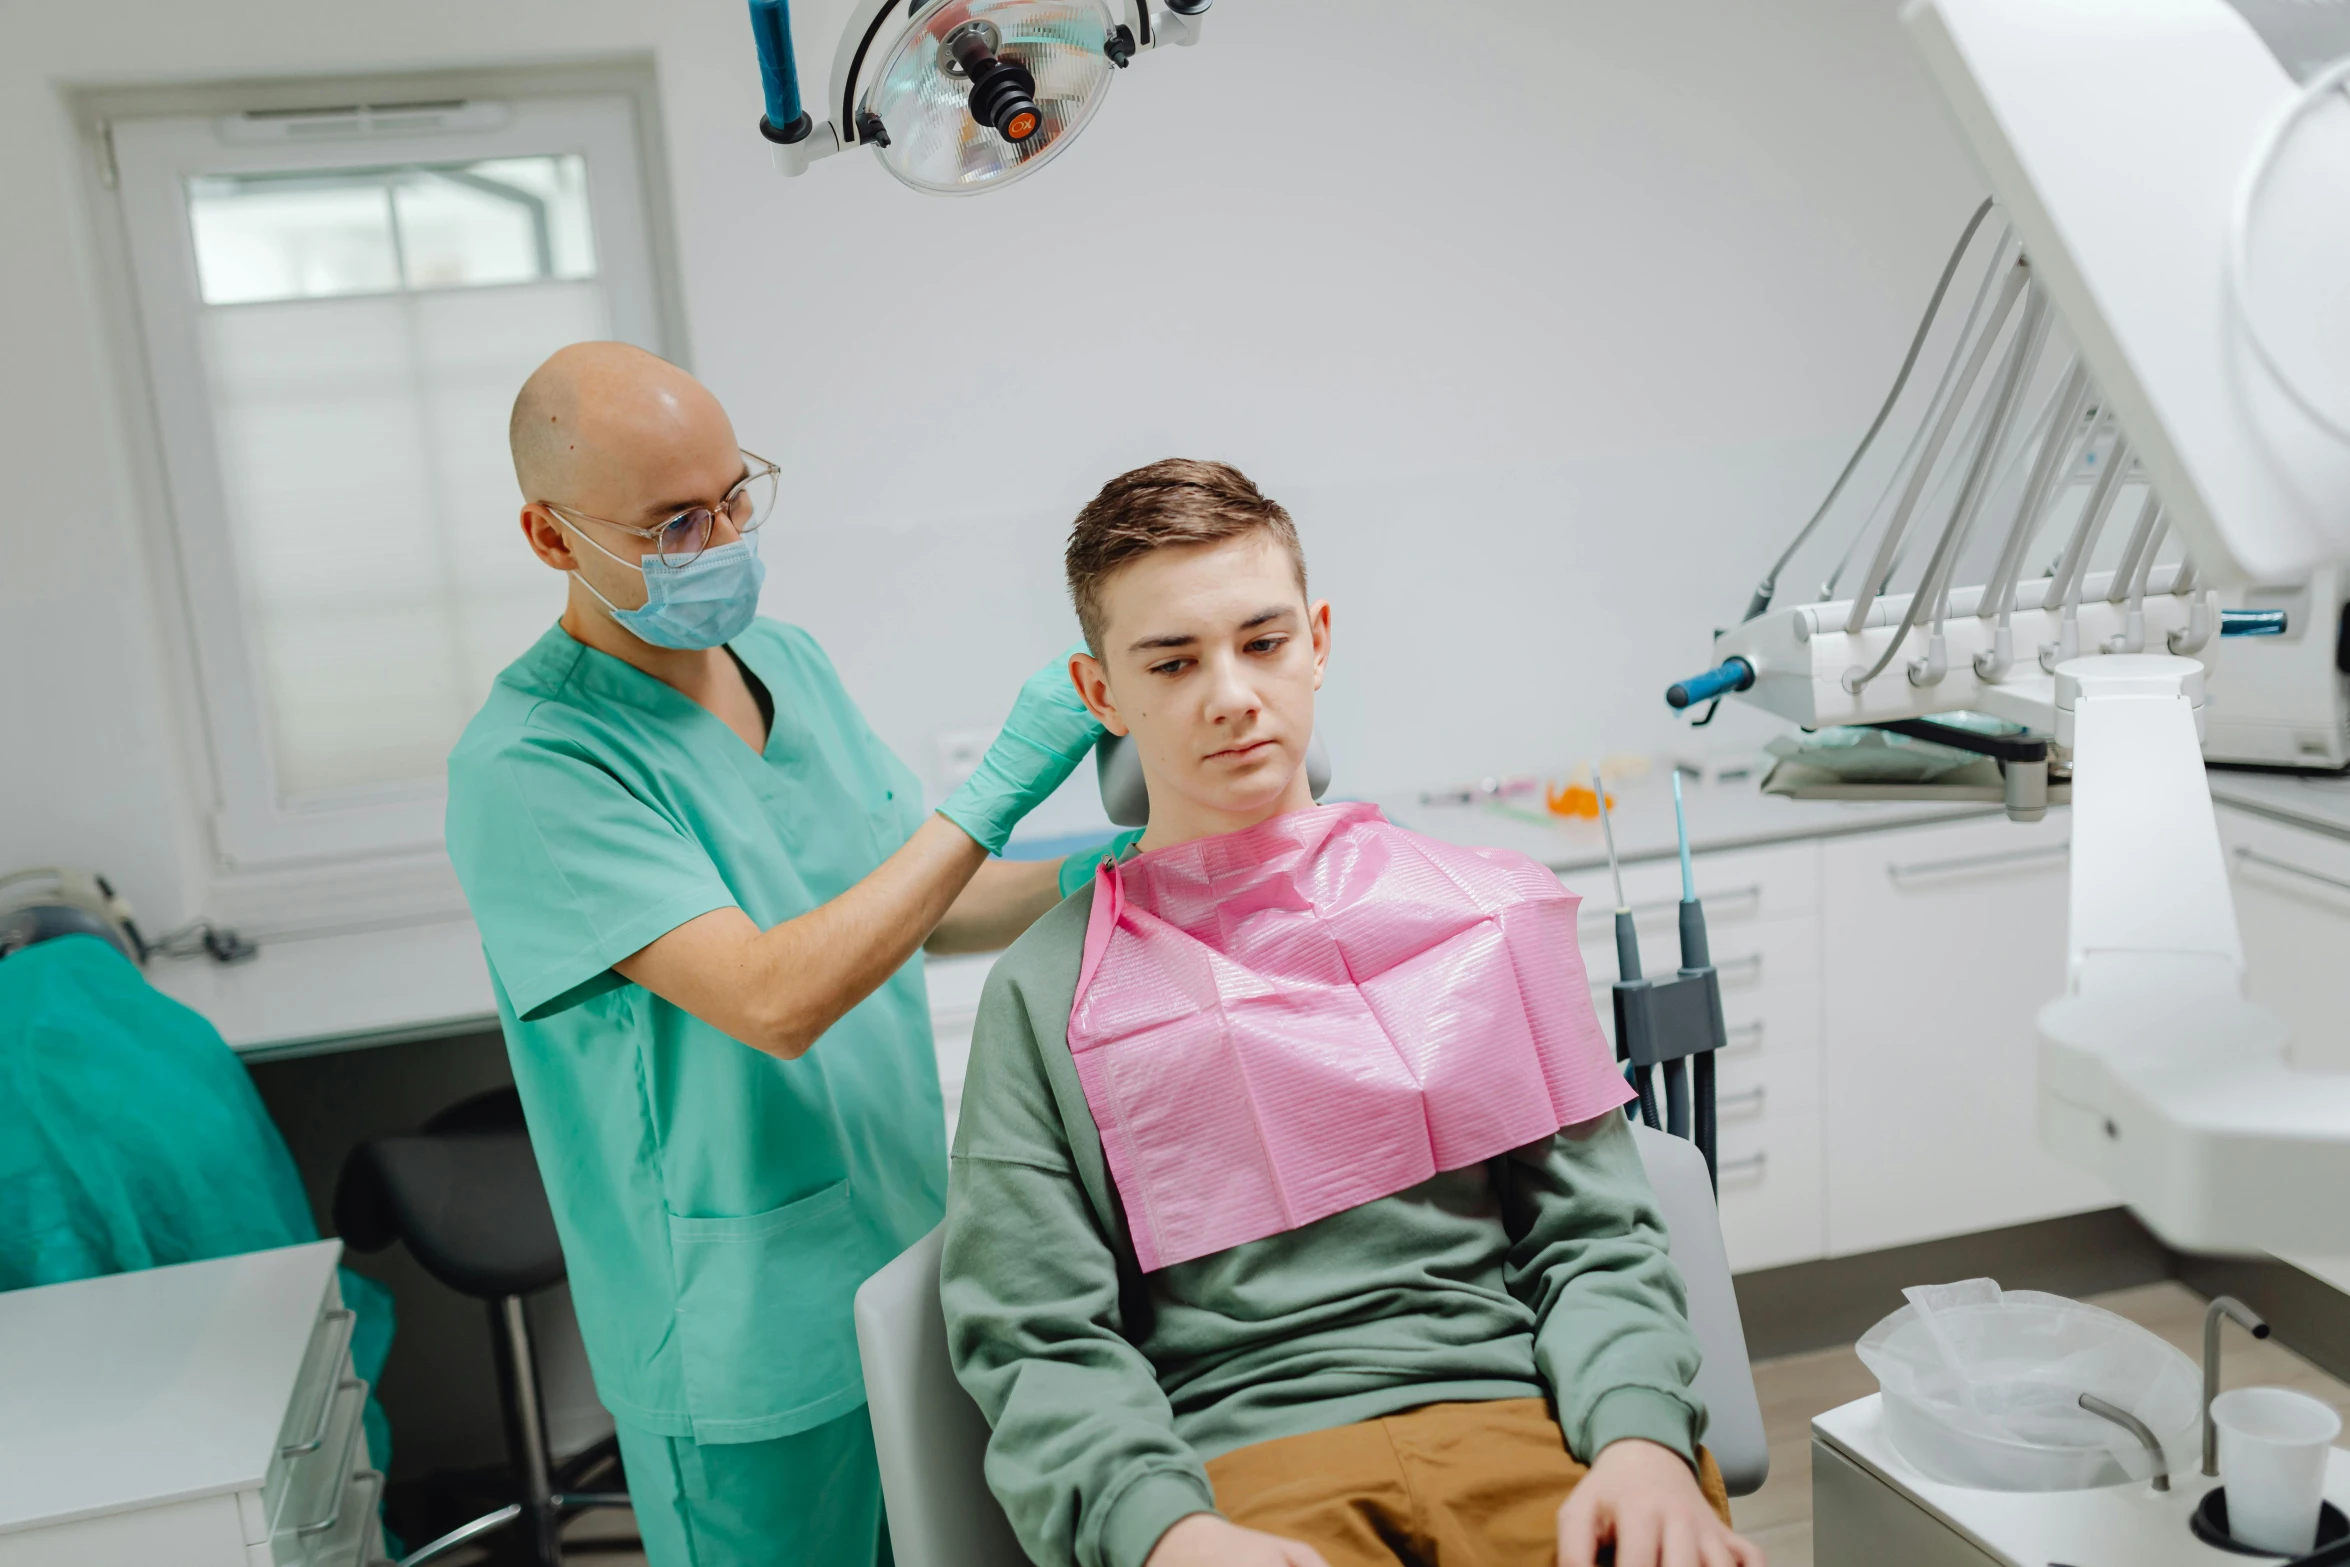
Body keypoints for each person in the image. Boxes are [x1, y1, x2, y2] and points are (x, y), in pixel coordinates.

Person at [941, 459, 1764, 1567]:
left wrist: (1640, 1441)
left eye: (1263, 641)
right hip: (1240, 1479)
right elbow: (1034, 1334)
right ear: (1100, 695)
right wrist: (1164, 1532)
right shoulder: (1051, 990)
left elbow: (1594, 1237)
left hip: (1530, 1427)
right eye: (1173, 661)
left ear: (1317, 639)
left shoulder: (1481, 909)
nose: (1230, 692)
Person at [444, 342, 1116, 1567]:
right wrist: (1001, 790)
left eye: (736, 494)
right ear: (551, 539)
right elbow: (776, 997)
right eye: (675, 521)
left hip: (908, 1258)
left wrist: (1106, 872)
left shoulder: (786, 664)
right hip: (739, 1338)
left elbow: (909, 907)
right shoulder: (531, 767)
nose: (725, 537)